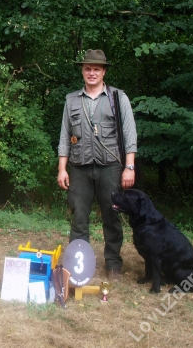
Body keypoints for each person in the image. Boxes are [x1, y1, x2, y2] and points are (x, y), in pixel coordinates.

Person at [57, 49, 137, 280]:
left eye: (96, 69)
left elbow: (130, 134)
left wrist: (129, 167)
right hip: (79, 167)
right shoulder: (71, 99)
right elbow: (64, 136)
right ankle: (77, 265)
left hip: (110, 167)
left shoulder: (118, 97)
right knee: (78, 217)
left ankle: (113, 264)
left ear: (104, 72)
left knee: (111, 217)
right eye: (87, 68)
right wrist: (62, 168)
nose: (91, 73)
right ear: (82, 71)